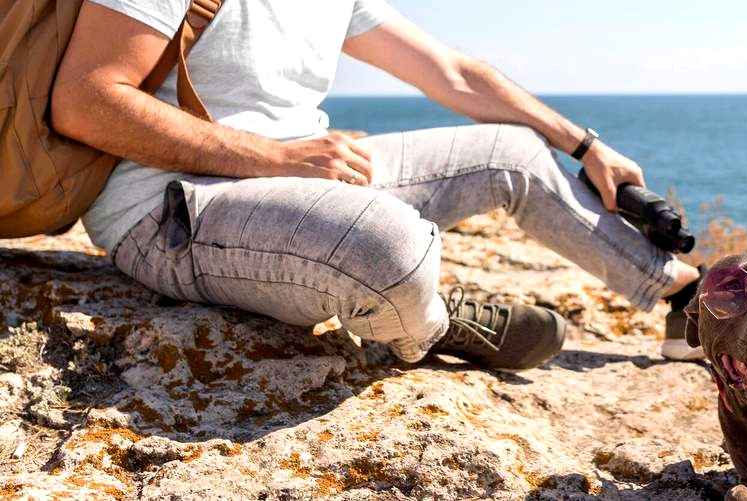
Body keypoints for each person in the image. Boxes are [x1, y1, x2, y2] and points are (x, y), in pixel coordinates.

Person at [51, 0, 704, 370]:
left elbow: (452, 73)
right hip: (173, 210)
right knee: (389, 248)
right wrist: (275, 159)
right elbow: (84, 99)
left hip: (304, 178)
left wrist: (585, 145)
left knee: (512, 149)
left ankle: (685, 297)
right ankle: (433, 321)